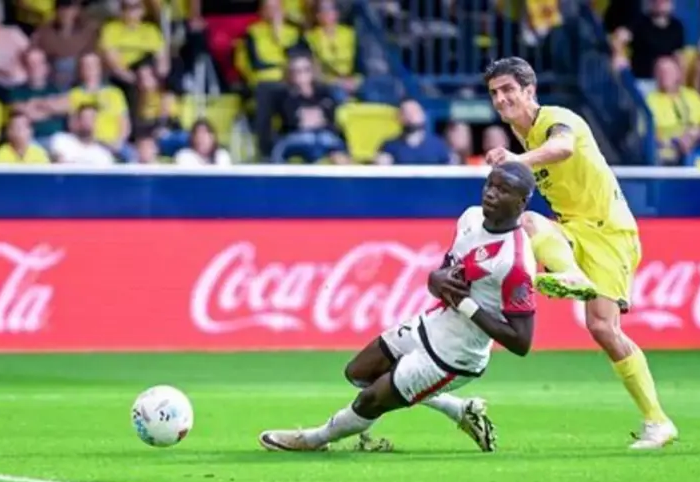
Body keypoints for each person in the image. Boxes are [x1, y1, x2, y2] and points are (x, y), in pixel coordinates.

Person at [259, 162, 539, 453]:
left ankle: (312, 440)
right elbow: (444, 277)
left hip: (456, 356)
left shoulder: (514, 262)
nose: (491, 193)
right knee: (359, 372)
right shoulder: (469, 218)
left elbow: (521, 341)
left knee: (370, 400)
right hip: (432, 325)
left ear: (521, 202)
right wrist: (435, 279)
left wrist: (466, 305)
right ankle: (460, 410)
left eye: (503, 190)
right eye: (490, 184)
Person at [482, 56, 677, 449]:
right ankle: (565, 275)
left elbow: (565, 147)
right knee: (529, 223)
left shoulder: (556, 118)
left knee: (604, 328)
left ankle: (658, 421)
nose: (501, 99)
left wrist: (517, 161)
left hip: (610, 232)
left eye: (508, 90)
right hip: (573, 230)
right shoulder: (522, 139)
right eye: (494, 93)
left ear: (529, 91)